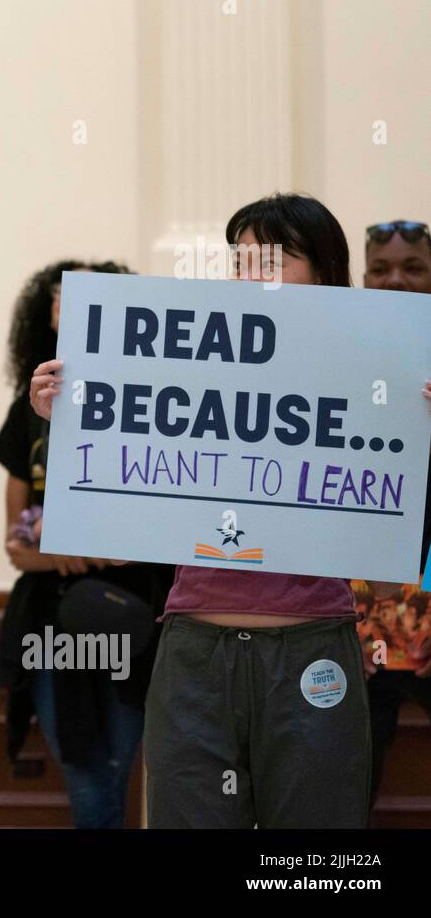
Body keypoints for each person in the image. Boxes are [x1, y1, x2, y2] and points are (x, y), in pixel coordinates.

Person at [29, 193, 421, 828]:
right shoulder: (185, 371)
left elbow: (381, 578)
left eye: (275, 258)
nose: (252, 273)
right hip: (195, 653)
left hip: (313, 649)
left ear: (325, 271)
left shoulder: (377, 379)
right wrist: (71, 424)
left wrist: (418, 434)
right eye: (241, 260)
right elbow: (122, 543)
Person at [0, 259, 173, 829]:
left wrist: (92, 550)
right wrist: (58, 552)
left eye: (86, 298)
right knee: (82, 768)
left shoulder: (154, 399)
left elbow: (168, 528)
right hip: (49, 615)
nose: (66, 308)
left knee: (120, 764)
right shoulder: (31, 404)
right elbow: (16, 544)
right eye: (57, 299)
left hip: (135, 610)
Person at [356, 218, 431, 817]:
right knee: (345, 788)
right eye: (381, 270)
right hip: (356, 621)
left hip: (429, 611)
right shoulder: (335, 358)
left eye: (415, 269)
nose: (396, 281)